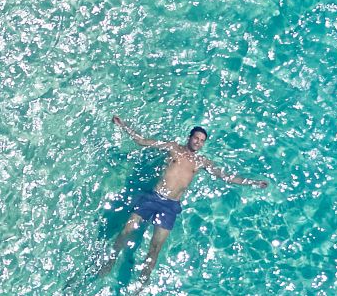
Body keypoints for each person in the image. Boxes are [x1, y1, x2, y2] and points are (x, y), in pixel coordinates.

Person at [97, 116, 268, 286]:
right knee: (126, 230)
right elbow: (142, 141)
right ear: (189, 137)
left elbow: (226, 177)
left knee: (155, 248)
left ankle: (141, 284)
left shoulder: (201, 162)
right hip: (153, 197)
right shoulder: (173, 148)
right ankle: (110, 262)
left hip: (170, 206)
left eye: (202, 141)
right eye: (196, 138)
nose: (198, 143)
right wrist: (123, 125)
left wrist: (253, 182)